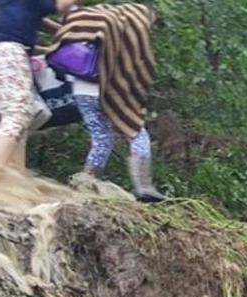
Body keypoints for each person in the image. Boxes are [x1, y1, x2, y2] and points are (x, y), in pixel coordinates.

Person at [48, 4, 165, 202]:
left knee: (101, 137)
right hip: (110, 93)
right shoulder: (126, 43)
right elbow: (129, 72)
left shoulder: (86, 33)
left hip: (82, 93)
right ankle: (143, 186)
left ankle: (87, 181)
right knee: (137, 133)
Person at [0, 0, 80, 181]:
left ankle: (15, 178)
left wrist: (63, 37)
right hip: (5, 51)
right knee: (17, 114)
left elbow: (41, 21)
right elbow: (62, 5)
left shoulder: (17, 7)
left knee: (21, 117)